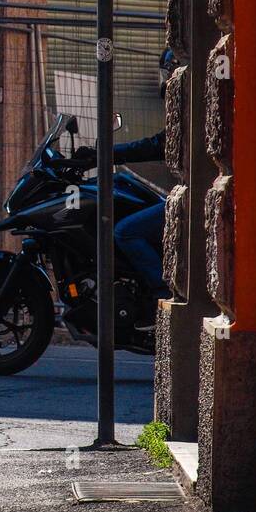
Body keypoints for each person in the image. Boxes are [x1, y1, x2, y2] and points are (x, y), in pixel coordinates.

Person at [72, 49, 175, 325]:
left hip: (192, 198)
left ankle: (163, 300)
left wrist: (104, 153)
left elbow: (157, 145)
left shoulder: (188, 109)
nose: (163, 83)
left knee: (126, 232)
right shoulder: (190, 105)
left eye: (166, 74)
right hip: (187, 194)